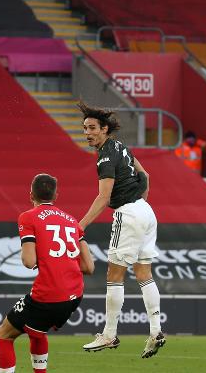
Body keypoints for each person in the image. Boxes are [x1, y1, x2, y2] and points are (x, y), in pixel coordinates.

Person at [77, 102, 166, 359]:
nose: (87, 133)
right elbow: (145, 175)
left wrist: (80, 225)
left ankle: (109, 333)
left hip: (128, 213)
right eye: (85, 128)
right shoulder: (121, 147)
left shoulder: (105, 155)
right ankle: (156, 330)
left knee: (114, 275)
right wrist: (141, 201)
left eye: (92, 128)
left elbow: (104, 197)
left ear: (104, 129)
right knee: (144, 272)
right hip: (146, 212)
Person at [0, 173, 94, 373]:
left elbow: (28, 261)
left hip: (49, 293)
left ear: (30, 194)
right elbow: (89, 267)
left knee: (3, 333)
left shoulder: (28, 217)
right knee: (37, 332)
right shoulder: (72, 222)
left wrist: (45, 258)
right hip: (74, 295)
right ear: (56, 195)